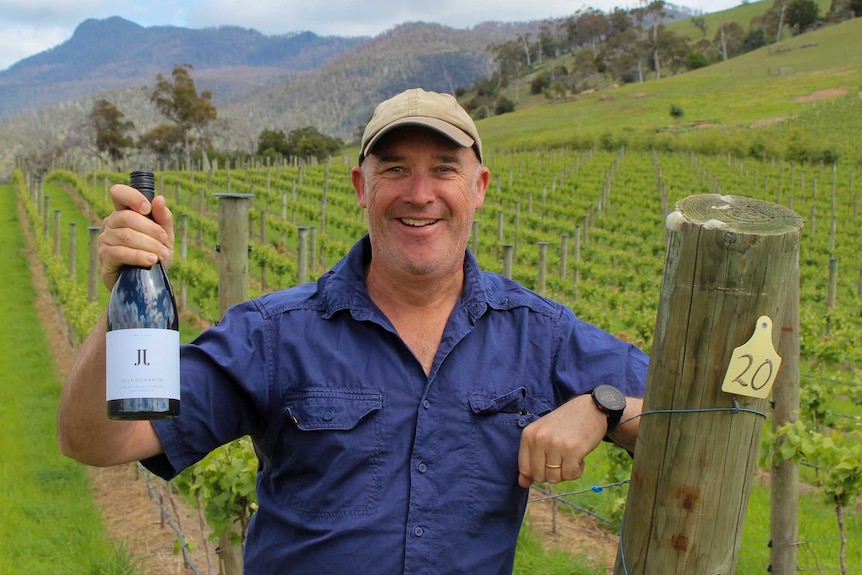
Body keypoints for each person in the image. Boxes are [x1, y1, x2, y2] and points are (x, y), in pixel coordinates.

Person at [58, 87, 648, 574]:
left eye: (444, 170)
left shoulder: (537, 332)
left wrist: (604, 407)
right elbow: (99, 441)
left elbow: (695, 418)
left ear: (479, 188)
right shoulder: (274, 334)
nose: (420, 195)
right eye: (395, 170)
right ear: (362, 187)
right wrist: (120, 309)